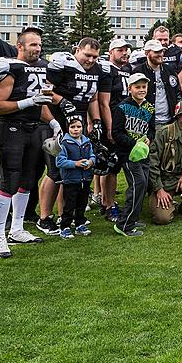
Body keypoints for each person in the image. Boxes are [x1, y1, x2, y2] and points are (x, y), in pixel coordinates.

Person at [0, 29, 49, 246]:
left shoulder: (41, 68)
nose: (38, 49)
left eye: (39, 45)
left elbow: (41, 102)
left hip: (33, 128)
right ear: (19, 46)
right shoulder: (10, 68)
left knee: (28, 181)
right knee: (9, 181)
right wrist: (28, 102)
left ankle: (17, 229)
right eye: (33, 45)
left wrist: (53, 123)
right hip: (12, 128)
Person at [37, 38, 104, 234]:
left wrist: (96, 120)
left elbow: (93, 97)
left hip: (77, 123)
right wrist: (62, 101)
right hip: (56, 121)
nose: (91, 60)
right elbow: (45, 89)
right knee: (55, 171)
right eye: (87, 55)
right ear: (77, 50)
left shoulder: (96, 70)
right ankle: (44, 217)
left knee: (72, 174)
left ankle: (64, 216)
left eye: (95, 56)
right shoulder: (63, 64)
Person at [110, 73, 155, 235]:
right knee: (138, 184)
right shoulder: (121, 108)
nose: (141, 90)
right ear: (130, 89)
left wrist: (149, 138)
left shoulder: (149, 107)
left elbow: (152, 128)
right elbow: (116, 133)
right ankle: (124, 225)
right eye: (137, 87)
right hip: (128, 154)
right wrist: (134, 143)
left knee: (142, 185)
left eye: (144, 87)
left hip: (143, 153)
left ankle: (133, 218)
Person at [94, 38, 133, 216]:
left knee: (114, 166)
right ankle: (107, 203)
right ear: (111, 52)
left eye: (126, 50)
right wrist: (109, 128)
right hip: (111, 121)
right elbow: (104, 102)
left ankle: (107, 200)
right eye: (120, 50)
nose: (124, 53)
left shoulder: (127, 69)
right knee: (109, 166)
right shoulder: (107, 70)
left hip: (123, 122)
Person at [55, 117, 95, 238]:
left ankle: (80, 224)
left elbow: (92, 156)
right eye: (73, 127)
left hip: (85, 179)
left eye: (78, 127)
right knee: (69, 205)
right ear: (68, 128)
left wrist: (91, 162)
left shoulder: (87, 142)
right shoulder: (64, 143)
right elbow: (60, 162)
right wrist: (75, 164)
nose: (76, 130)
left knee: (82, 204)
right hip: (71, 180)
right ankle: (65, 227)